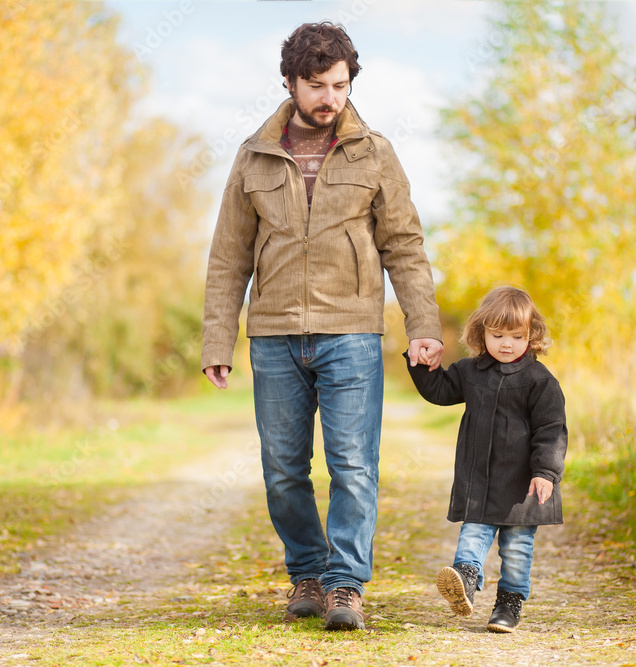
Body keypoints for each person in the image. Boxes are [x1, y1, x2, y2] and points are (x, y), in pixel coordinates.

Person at [201, 21, 443, 631]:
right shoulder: (253, 155)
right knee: (283, 468)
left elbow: (405, 245)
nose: (329, 97)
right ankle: (307, 574)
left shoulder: (376, 152)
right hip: (275, 334)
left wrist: (424, 324)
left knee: (353, 466)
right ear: (290, 82)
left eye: (339, 85)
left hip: (352, 332)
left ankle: (344, 586)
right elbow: (228, 256)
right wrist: (216, 338)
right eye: (316, 85)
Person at [404, 286, 567, 633]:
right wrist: (421, 365)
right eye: (497, 335)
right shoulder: (471, 371)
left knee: (518, 546)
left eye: (516, 336)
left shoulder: (540, 381)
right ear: (481, 333)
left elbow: (552, 429)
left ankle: (509, 604)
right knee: (473, 532)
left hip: (524, 483)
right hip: (480, 478)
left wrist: (546, 473)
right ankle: (464, 578)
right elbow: (439, 391)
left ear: (531, 335)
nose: (506, 344)